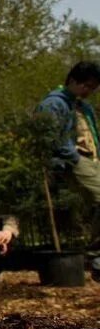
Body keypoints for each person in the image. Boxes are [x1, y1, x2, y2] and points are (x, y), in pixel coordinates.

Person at [36, 62, 100, 244]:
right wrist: (74, 158)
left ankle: (94, 247)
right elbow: (51, 138)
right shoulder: (54, 103)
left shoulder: (83, 106)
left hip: (91, 159)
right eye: (86, 85)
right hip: (73, 161)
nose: (88, 91)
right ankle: (95, 252)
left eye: (93, 88)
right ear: (72, 80)